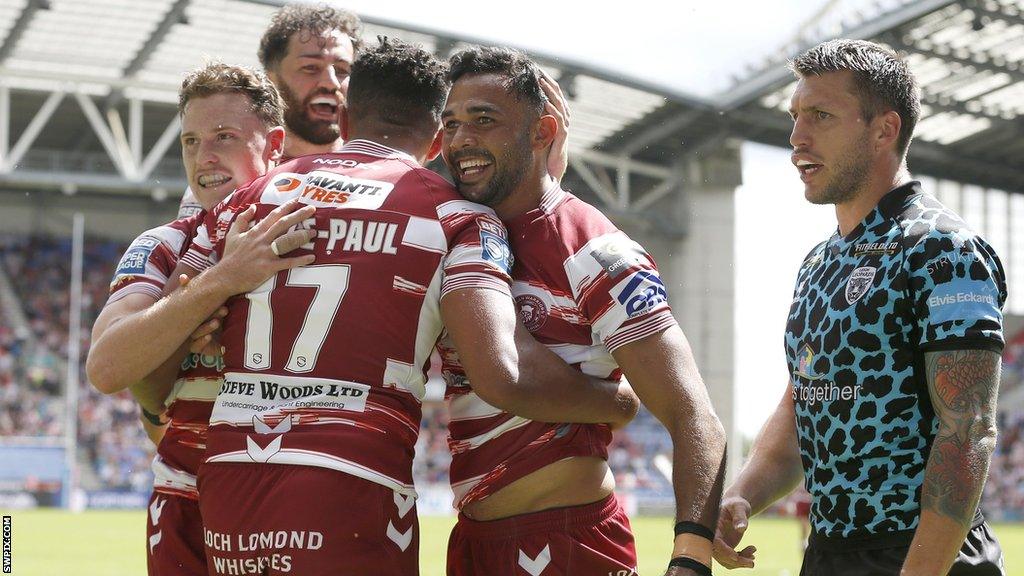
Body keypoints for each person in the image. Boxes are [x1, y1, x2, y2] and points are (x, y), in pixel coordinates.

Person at [177, 38, 635, 576]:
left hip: (230, 480)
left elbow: (169, 324)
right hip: (350, 479)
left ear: (345, 120)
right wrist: (618, 404)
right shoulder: (457, 217)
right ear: (439, 137)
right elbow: (501, 372)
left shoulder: (251, 196)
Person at [712, 39, 1006, 576]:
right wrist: (744, 495)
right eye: (795, 116)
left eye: (821, 116)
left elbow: (967, 431)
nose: (798, 137)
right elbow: (804, 400)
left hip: (924, 555)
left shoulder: (943, 251)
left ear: (883, 130)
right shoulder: (818, 264)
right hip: (828, 555)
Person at [438, 46, 727, 576]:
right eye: (451, 123)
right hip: (474, 544)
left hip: (568, 543)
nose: (460, 141)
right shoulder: (457, 234)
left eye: (484, 120)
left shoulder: (593, 248)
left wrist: (691, 558)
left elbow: (694, 417)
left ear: (541, 132)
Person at [86, 63, 291, 575]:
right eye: (191, 141)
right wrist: (220, 282)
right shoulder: (163, 245)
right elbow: (107, 369)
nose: (204, 157)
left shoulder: (318, 236)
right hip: (185, 501)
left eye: (225, 137)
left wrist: (174, 330)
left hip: (289, 496)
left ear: (275, 145)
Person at [257, 2, 361, 159]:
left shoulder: (381, 174)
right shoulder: (246, 173)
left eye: (342, 70)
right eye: (311, 67)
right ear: (271, 80)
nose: (331, 82)